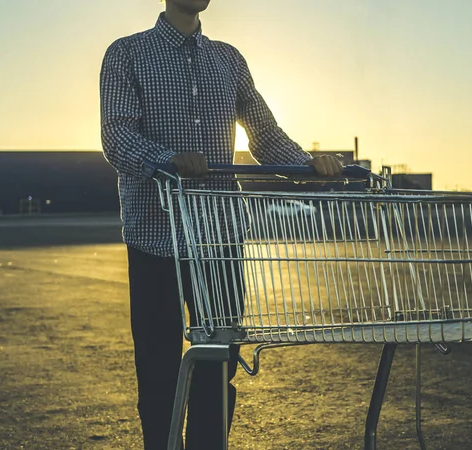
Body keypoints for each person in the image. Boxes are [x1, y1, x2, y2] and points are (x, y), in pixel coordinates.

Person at [99, 0, 343, 448]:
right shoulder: (126, 54)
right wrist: (165, 160)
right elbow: (117, 137)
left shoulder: (228, 59)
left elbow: (265, 136)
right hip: (157, 239)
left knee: (218, 364)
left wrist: (311, 165)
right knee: (158, 367)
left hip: (220, 238)